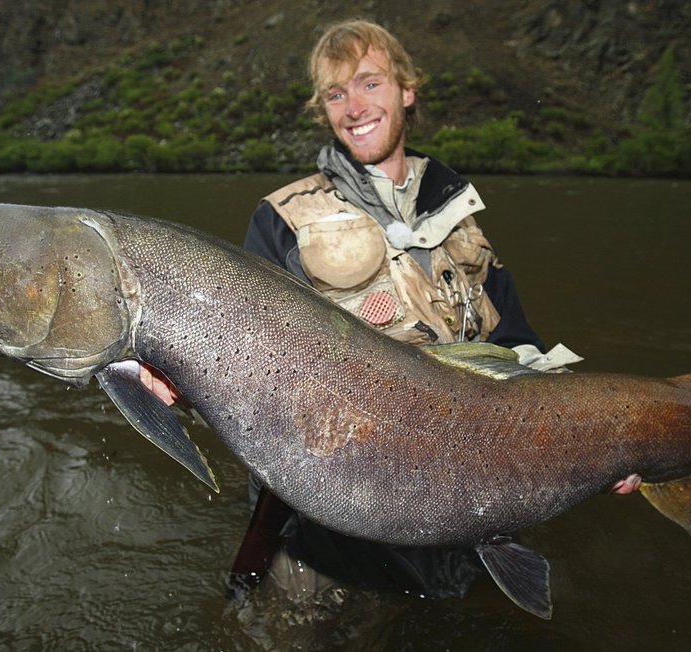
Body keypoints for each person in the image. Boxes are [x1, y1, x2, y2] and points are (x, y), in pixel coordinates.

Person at [142, 18, 640, 602]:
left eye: (370, 84)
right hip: (330, 533)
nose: (353, 106)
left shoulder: (461, 218)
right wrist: (178, 376)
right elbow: (236, 359)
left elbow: (519, 352)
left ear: (408, 90)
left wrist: (605, 441)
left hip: (460, 516)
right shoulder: (279, 222)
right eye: (335, 93)